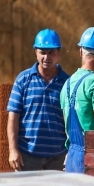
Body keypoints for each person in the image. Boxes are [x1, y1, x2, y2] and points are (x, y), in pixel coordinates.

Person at [6, 29, 70, 171]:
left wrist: (70, 152)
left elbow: (71, 120)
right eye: (43, 52)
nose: (46, 57)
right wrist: (13, 150)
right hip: (27, 156)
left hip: (58, 158)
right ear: (36, 52)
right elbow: (13, 118)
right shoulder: (23, 79)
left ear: (59, 53)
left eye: (51, 52)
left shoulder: (67, 83)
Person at [61, 26, 94, 173]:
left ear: (80, 52)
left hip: (71, 156)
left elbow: (66, 125)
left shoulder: (67, 84)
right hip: (92, 157)